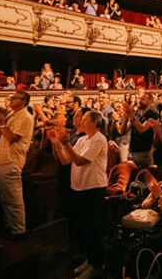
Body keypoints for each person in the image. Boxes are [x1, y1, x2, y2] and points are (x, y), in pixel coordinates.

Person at [48, 110, 108, 279]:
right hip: (79, 187)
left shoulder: (99, 139)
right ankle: (90, 260)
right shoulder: (82, 139)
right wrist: (56, 143)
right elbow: (66, 160)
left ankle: (97, 264)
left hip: (93, 188)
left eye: (84, 120)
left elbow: (80, 161)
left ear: (96, 123)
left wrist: (66, 144)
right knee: (83, 227)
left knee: (92, 228)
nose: (81, 122)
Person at [0, 91, 34, 238]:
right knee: (5, 197)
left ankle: (18, 230)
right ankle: (10, 225)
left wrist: (3, 125)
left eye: (15, 98)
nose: (11, 99)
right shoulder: (12, 115)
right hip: (3, 157)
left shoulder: (26, 117)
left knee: (13, 196)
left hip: (12, 159)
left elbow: (11, 138)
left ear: (23, 101)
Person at [121, 93, 161, 169]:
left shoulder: (153, 115)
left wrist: (131, 115)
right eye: (139, 98)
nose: (139, 101)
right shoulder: (136, 114)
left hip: (144, 153)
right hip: (131, 152)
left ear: (149, 101)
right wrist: (126, 119)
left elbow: (142, 130)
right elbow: (123, 132)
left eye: (142, 99)